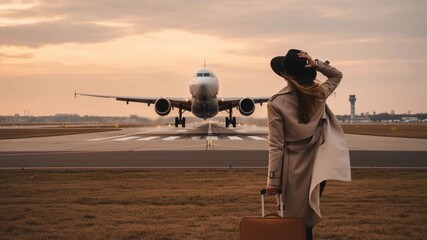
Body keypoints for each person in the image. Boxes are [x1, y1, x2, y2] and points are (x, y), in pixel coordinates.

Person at [266, 49, 351, 240]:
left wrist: (272, 180)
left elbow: (276, 146)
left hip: (292, 171)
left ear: (285, 75)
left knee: (291, 223)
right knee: (306, 222)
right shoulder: (319, 94)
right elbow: (337, 75)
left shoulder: (276, 103)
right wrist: (317, 64)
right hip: (317, 168)